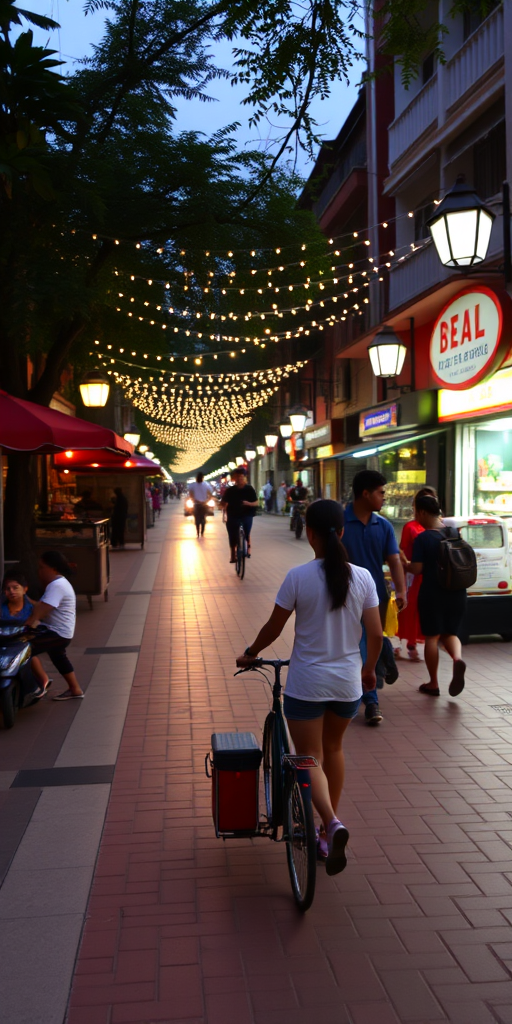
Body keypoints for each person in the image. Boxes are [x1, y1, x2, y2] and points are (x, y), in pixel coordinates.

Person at [236, 499, 382, 874]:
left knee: (308, 758)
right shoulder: (363, 577)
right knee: (333, 749)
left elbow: (274, 627)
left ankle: (331, 824)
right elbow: (376, 634)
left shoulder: (298, 576)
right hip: (348, 684)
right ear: (343, 531)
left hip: (307, 685)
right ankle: (324, 830)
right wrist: (368, 670)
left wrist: (251, 652)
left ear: (310, 533)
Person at [342, 470, 407, 727]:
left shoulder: (384, 525)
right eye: (381, 493)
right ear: (365, 493)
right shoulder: (341, 523)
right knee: (361, 645)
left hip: (376, 598)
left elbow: (393, 560)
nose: (384, 498)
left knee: (373, 641)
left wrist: (401, 591)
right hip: (345, 598)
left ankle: (381, 669)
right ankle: (370, 699)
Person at [406, 493, 467, 698]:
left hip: (433, 592)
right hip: (457, 592)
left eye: (415, 511)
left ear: (422, 512)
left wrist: (403, 562)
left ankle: (433, 683)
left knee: (432, 637)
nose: (415, 516)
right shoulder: (453, 532)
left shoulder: (423, 538)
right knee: (450, 633)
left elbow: (416, 569)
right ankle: (458, 659)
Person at [25, 551, 84, 701]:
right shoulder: (57, 584)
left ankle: (39, 684)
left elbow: (41, 611)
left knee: (23, 650)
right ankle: (75, 689)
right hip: (61, 632)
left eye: (41, 567)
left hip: (56, 633)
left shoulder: (57, 586)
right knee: (58, 657)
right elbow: (40, 606)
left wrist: (27, 624)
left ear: (54, 569)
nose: (39, 571)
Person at [394, 486, 438, 661]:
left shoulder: (438, 527)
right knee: (408, 609)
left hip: (430, 576)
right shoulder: (410, 527)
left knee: (423, 611)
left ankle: (417, 642)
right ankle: (404, 642)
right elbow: (401, 550)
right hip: (413, 576)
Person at [1, 570, 49, 695]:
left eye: (15, 588)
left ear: (24, 589)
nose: (12, 591)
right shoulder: (2, 608)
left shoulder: (32, 608)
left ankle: (42, 681)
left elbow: (38, 622)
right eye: (8, 589)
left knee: (30, 656)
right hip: (4, 642)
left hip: (23, 642)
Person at [220, 466, 259, 562]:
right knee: (232, 533)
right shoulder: (230, 490)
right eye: (237, 477)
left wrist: (248, 503)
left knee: (247, 530)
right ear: (235, 479)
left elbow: (256, 502)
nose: (239, 479)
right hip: (233, 514)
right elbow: (223, 502)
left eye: (241, 477)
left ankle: (248, 547)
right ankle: (233, 554)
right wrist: (222, 507)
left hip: (247, 514)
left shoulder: (249, 489)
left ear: (245, 478)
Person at [188, 472, 213, 537]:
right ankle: (202, 532)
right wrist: (206, 501)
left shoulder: (193, 485)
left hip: (196, 504)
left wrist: (194, 499)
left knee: (197, 519)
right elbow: (210, 495)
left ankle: (198, 532)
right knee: (203, 518)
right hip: (204, 504)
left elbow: (190, 493)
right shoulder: (206, 485)